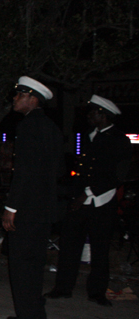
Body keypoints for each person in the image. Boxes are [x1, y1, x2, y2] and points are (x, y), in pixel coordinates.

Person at [45, 95, 131, 306]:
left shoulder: (119, 139)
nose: (89, 117)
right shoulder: (86, 136)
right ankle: (63, 287)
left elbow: (118, 175)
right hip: (79, 199)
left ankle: (97, 291)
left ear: (103, 115)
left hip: (102, 200)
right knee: (69, 246)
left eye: (93, 113)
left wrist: (89, 193)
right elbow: (81, 168)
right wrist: (75, 191)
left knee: (100, 249)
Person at [0, 76, 63, 319]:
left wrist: (11, 207)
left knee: (22, 267)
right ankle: (34, 315)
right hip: (43, 207)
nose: (14, 98)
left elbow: (24, 172)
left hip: (27, 208)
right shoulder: (50, 127)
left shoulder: (29, 127)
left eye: (19, 94)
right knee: (34, 264)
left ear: (32, 98)